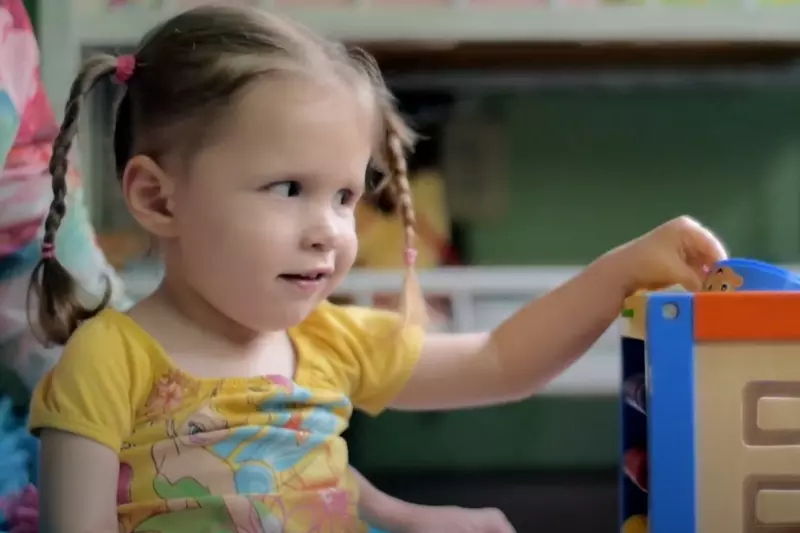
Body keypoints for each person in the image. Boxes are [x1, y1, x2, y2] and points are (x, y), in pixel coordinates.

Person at [25, 6, 727, 533]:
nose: (330, 230)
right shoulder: (108, 361)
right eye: (289, 188)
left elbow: (499, 358)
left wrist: (623, 271)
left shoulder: (331, 341)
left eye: (346, 196)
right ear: (156, 196)